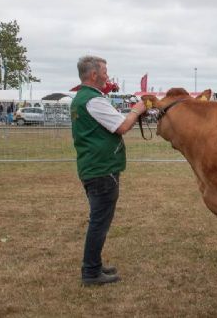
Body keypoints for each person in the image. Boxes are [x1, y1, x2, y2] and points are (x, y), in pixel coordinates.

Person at [71, 55, 146, 286]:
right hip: (102, 170)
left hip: (92, 167)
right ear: (93, 74)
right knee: (99, 221)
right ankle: (91, 272)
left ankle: (94, 265)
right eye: (104, 71)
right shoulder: (94, 100)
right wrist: (137, 109)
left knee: (99, 220)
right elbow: (122, 126)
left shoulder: (81, 99)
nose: (107, 75)